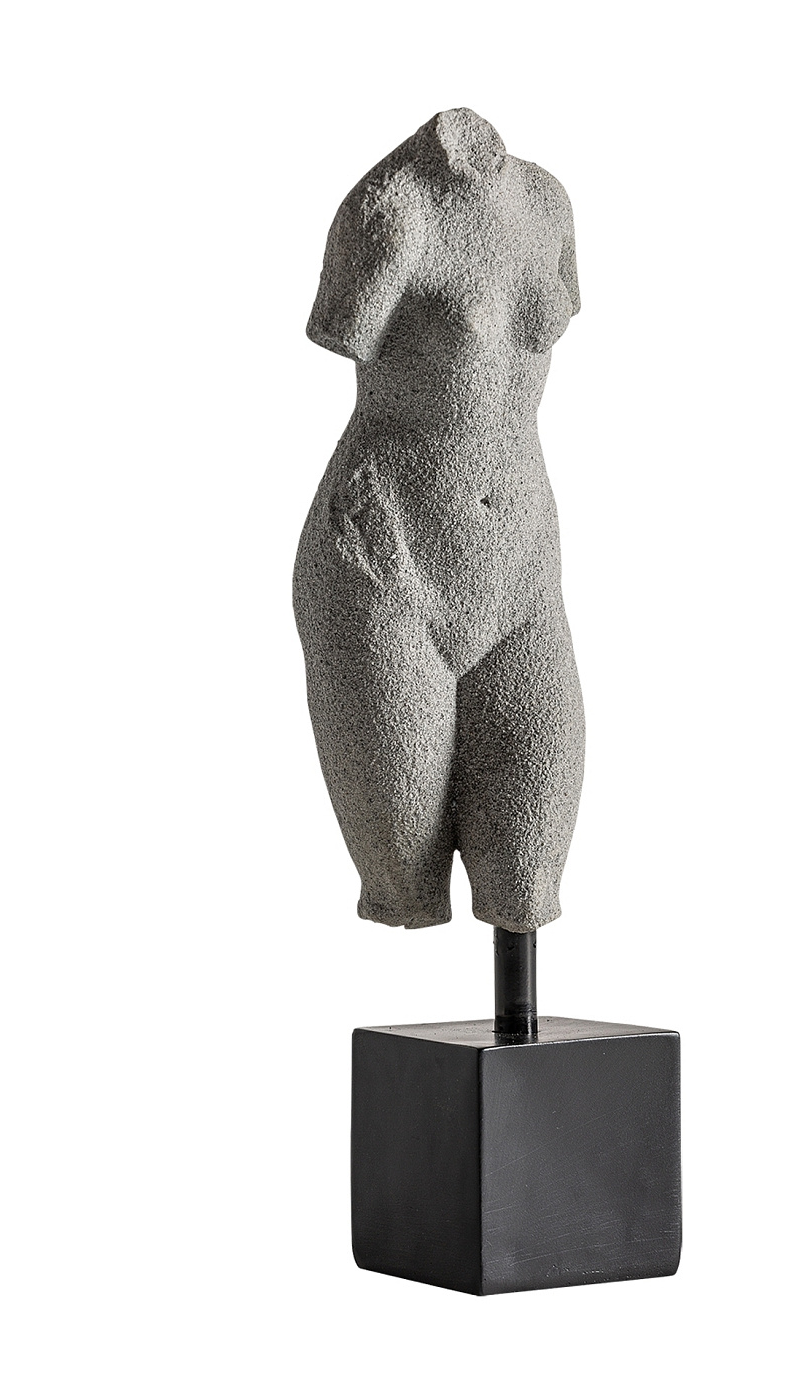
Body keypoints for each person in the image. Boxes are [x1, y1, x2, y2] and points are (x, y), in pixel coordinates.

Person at [294, 109, 585, 934]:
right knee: (403, 872)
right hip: (387, 558)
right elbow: (344, 331)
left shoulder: (547, 202)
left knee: (529, 872)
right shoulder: (390, 210)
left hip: (521, 567)